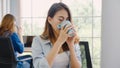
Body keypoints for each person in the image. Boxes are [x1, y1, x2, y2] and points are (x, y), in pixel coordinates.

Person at [32, 2, 82, 68]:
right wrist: (59, 42)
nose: (65, 23)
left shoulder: (72, 40)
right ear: (50, 20)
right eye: (60, 19)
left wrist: (71, 45)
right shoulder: (38, 41)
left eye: (67, 19)